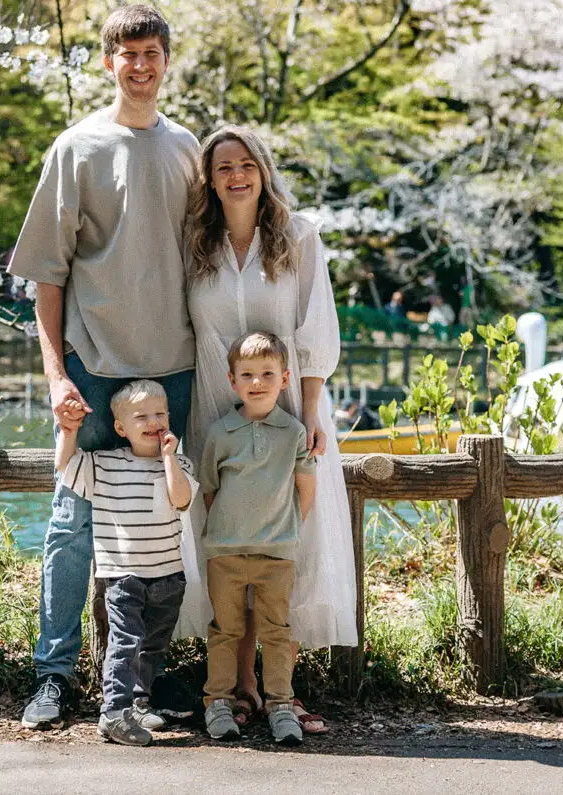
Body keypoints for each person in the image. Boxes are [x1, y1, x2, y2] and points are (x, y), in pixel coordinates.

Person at [8, 4, 200, 731]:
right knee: (73, 523)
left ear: (166, 59)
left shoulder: (187, 150)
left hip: (174, 368)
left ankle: (143, 680)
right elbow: (46, 280)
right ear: (108, 60)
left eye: (152, 52)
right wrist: (57, 374)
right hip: (95, 368)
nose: (141, 65)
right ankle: (53, 675)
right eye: (128, 54)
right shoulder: (77, 147)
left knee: (168, 523)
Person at [179, 123, 357, 734]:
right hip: (213, 406)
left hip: (288, 411)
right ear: (208, 178)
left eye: (246, 163)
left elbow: (314, 328)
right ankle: (238, 686)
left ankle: (281, 688)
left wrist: (308, 411)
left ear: (263, 169)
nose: (236, 175)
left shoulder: (299, 236)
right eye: (223, 166)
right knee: (229, 543)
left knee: (287, 543)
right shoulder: (193, 241)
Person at [54, 380, 195, 747]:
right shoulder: (105, 464)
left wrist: (168, 459)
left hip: (168, 575)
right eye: (142, 416)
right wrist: (69, 432)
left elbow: (181, 500)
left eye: (160, 414)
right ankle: (114, 712)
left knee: (153, 646)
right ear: (120, 428)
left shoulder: (179, 463)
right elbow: (65, 468)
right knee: (125, 643)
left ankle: (138, 701)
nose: (154, 422)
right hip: (123, 576)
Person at [199, 332, 315, 746]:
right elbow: (210, 489)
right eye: (247, 374)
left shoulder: (294, 432)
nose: (257, 382)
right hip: (225, 552)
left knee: (276, 631)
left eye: (267, 373)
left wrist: (283, 528)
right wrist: (229, 528)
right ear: (232, 381)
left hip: (277, 552)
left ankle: (280, 705)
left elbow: (305, 489)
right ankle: (218, 702)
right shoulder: (220, 432)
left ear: (284, 379)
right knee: (225, 629)